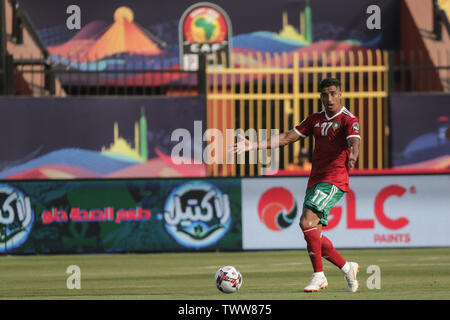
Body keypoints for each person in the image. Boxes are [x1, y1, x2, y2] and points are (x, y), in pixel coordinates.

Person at [232, 77, 361, 293]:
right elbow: (287, 137)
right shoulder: (315, 119)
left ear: (340, 94)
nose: (329, 98)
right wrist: (254, 145)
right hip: (316, 180)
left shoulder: (348, 119)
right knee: (314, 232)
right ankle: (347, 267)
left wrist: (353, 156)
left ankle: (319, 276)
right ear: (320, 96)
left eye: (333, 93)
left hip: (334, 179)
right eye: (324, 94)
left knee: (306, 221)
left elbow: (354, 140)